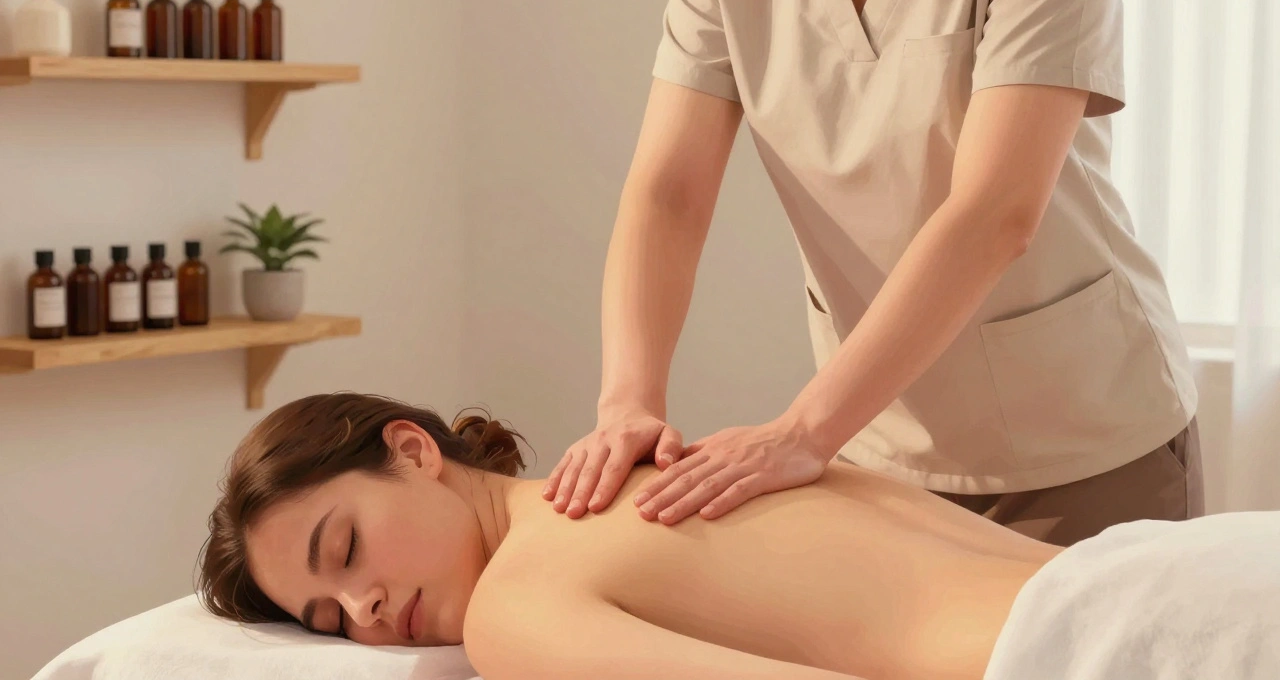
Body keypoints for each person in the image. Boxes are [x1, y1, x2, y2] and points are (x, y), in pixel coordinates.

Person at [543, 0, 1203, 546]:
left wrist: (803, 431)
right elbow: (670, 194)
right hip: (874, 442)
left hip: (1082, 438)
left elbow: (995, 211)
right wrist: (628, 401)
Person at [199, 393, 1277, 680]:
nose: (365, 610)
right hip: (1195, 574)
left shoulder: (516, 609)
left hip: (1113, 653)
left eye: (345, 552)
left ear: (412, 450)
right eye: (328, 620)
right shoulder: (702, 456)